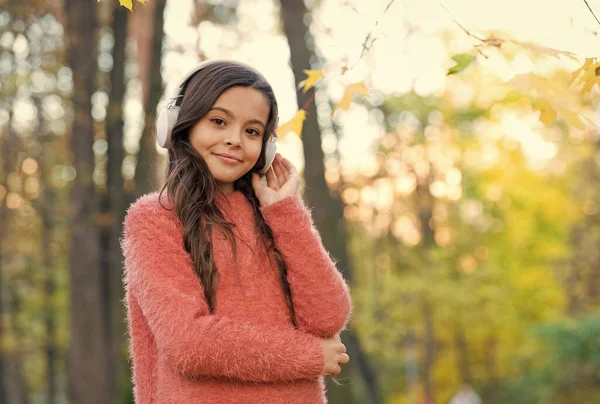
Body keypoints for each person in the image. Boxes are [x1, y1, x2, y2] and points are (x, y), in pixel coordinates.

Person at [120, 59, 352, 404]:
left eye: (252, 131)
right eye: (218, 121)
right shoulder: (155, 218)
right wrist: (307, 356)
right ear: (180, 125)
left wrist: (287, 213)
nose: (234, 140)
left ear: (266, 148)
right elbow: (189, 343)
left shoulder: (275, 217)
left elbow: (328, 317)